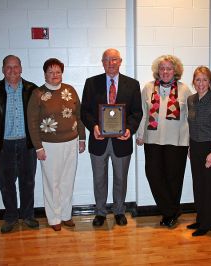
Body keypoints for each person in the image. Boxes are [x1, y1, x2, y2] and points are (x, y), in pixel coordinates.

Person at [81, 48, 142, 227]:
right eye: (107, 59)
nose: (111, 63)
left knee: (120, 179)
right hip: (98, 140)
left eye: (114, 59)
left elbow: (137, 112)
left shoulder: (132, 84)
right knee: (99, 179)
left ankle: (119, 211)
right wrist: (94, 127)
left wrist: (130, 129)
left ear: (120, 61)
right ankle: (100, 212)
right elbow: (84, 111)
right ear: (102, 62)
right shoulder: (91, 83)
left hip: (122, 142)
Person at [0, 55, 39, 233]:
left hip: (26, 144)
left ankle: (28, 216)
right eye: (8, 67)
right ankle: (11, 217)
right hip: (3, 145)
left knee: (27, 182)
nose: (12, 70)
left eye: (16, 67)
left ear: (21, 68)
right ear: (3, 69)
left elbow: (38, 115)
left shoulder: (32, 90)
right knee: (6, 183)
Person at [27, 58, 86, 231]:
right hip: (48, 144)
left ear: (62, 73)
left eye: (58, 72)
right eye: (51, 72)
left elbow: (79, 116)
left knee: (68, 180)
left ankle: (66, 215)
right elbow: (32, 122)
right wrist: (38, 146)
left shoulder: (70, 90)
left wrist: (82, 138)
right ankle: (54, 218)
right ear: (45, 74)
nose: (55, 75)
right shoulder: (38, 94)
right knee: (52, 182)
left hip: (71, 142)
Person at [136, 55, 192, 228]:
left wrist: (191, 142)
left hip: (177, 141)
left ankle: (170, 213)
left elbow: (190, 117)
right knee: (153, 174)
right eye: (162, 68)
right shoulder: (148, 88)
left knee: (174, 178)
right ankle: (171, 211)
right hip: (152, 140)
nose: (165, 72)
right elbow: (143, 113)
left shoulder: (184, 90)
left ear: (175, 71)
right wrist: (140, 134)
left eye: (169, 68)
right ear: (157, 71)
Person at [186, 66, 211, 236]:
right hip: (195, 147)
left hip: (210, 148)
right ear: (193, 82)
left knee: (209, 186)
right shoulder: (191, 100)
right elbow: (191, 125)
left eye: (204, 80)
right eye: (198, 80)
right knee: (198, 185)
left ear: (210, 82)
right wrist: (189, 146)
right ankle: (200, 219)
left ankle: (208, 224)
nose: (201, 83)